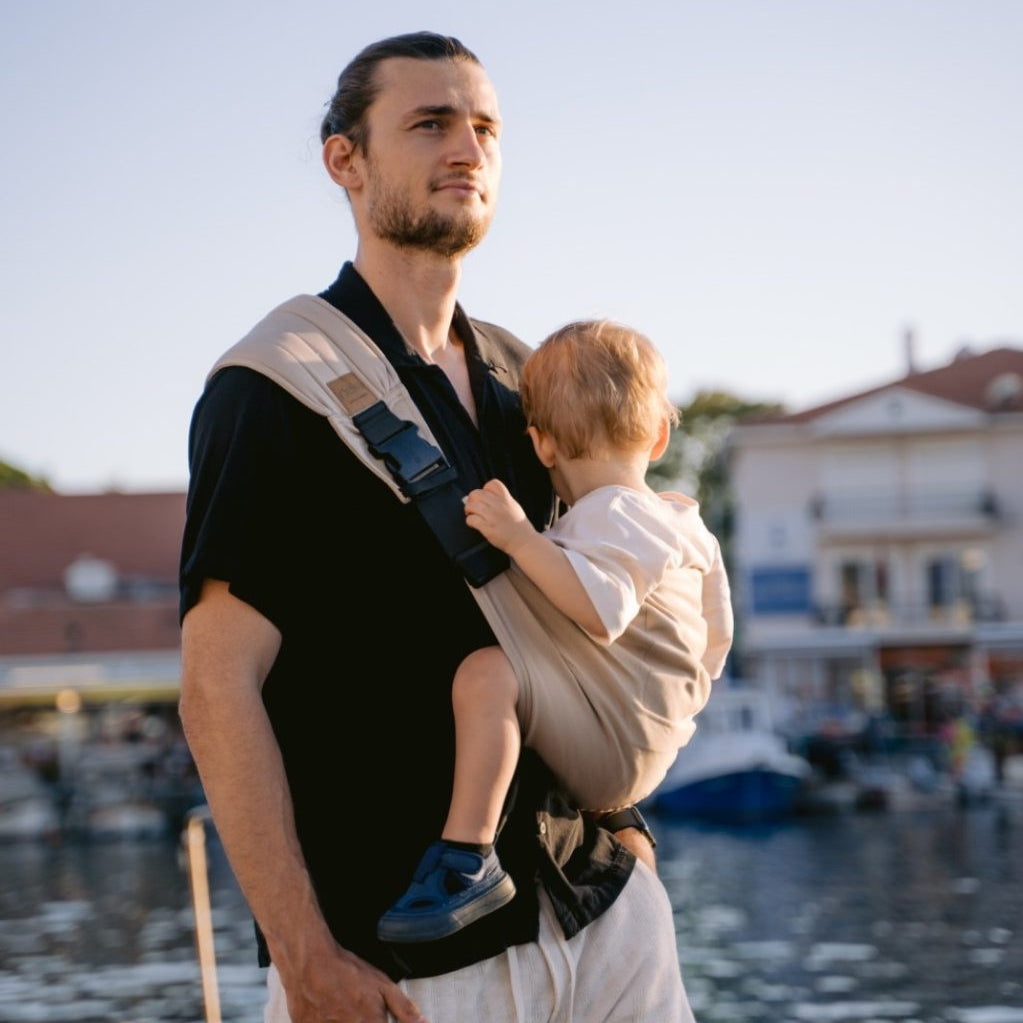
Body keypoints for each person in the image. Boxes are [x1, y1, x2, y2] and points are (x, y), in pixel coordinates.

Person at [179, 31, 696, 1023]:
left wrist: (625, 837)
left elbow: (585, 611)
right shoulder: (270, 390)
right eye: (429, 124)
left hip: (602, 911)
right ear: (346, 160)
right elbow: (216, 685)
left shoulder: (527, 377)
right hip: (412, 964)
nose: (468, 149)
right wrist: (303, 956)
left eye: (485, 127)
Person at [378, 318, 733, 944]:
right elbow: (716, 635)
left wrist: (519, 538)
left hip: (612, 743)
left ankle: (468, 857)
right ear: (656, 439)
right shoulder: (682, 521)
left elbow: (601, 608)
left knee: (486, 676)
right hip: (652, 740)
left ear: (541, 447)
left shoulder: (614, 514)